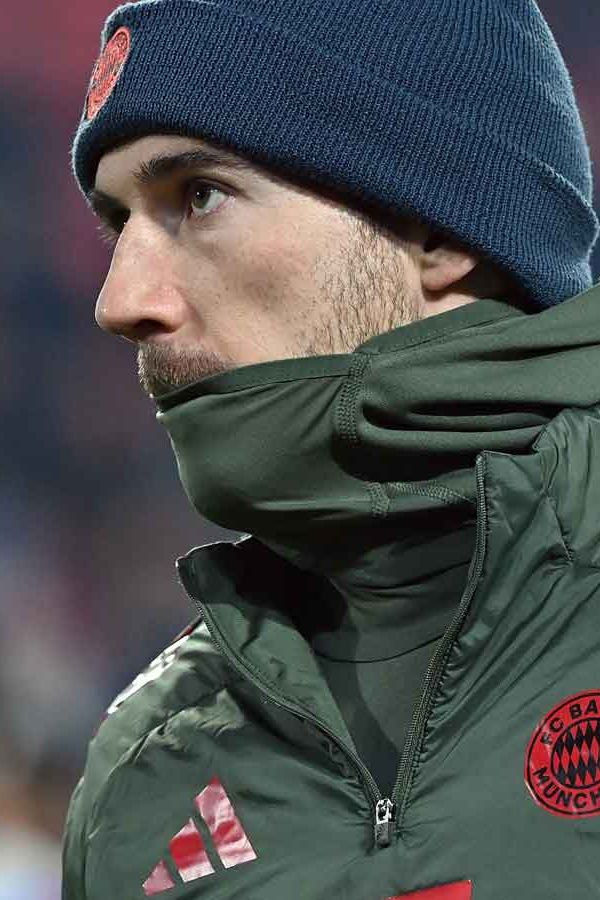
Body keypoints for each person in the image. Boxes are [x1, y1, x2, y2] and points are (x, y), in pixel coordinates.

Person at [63, 1, 600, 898]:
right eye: (121, 225)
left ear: (437, 225)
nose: (120, 303)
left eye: (199, 196)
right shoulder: (141, 776)